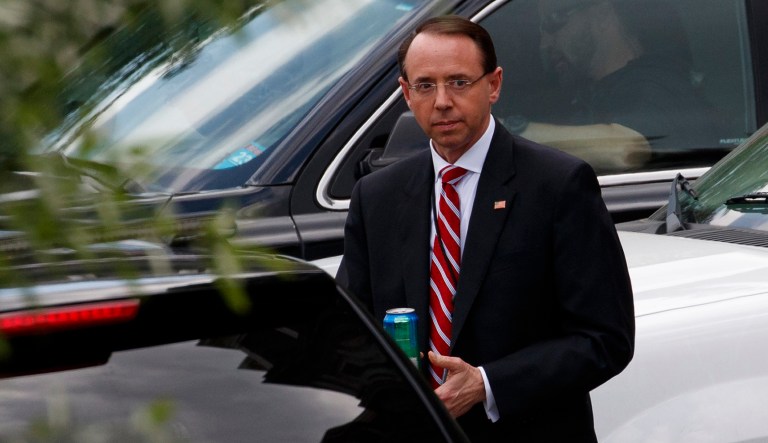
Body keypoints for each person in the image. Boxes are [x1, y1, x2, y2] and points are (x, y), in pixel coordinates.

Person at [336, 15, 635, 442]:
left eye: (459, 82)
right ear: (405, 93)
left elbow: (605, 339)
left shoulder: (557, 185)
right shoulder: (377, 196)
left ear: (493, 85)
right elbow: (350, 332)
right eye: (425, 85)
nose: (441, 101)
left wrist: (487, 384)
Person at [507, 0, 723, 174]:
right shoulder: (591, 93)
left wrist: (502, 132)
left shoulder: (656, 82)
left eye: (554, 22)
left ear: (601, 14)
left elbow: (627, 149)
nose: (544, 44)